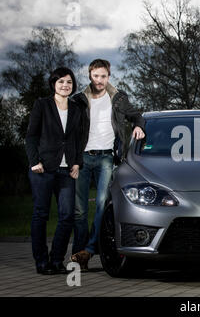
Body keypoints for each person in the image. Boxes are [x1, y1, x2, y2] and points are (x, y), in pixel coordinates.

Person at [71, 59, 145, 270]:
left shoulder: (118, 98)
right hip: (82, 158)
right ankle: (79, 254)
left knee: (102, 204)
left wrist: (139, 126)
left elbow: (136, 115)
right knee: (80, 210)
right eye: (96, 76)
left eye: (103, 76)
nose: (100, 80)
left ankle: (90, 248)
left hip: (106, 158)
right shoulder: (79, 100)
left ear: (108, 76)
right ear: (90, 76)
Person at [25, 67, 82, 275]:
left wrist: (77, 163)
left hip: (67, 171)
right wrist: (34, 161)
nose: (65, 85)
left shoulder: (76, 109)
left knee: (67, 216)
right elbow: (31, 136)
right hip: (43, 168)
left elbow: (77, 138)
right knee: (41, 214)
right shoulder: (42, 105)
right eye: (61, 82)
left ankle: (57, 260)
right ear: (53, 84)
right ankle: (41, 262)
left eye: (68, 82)